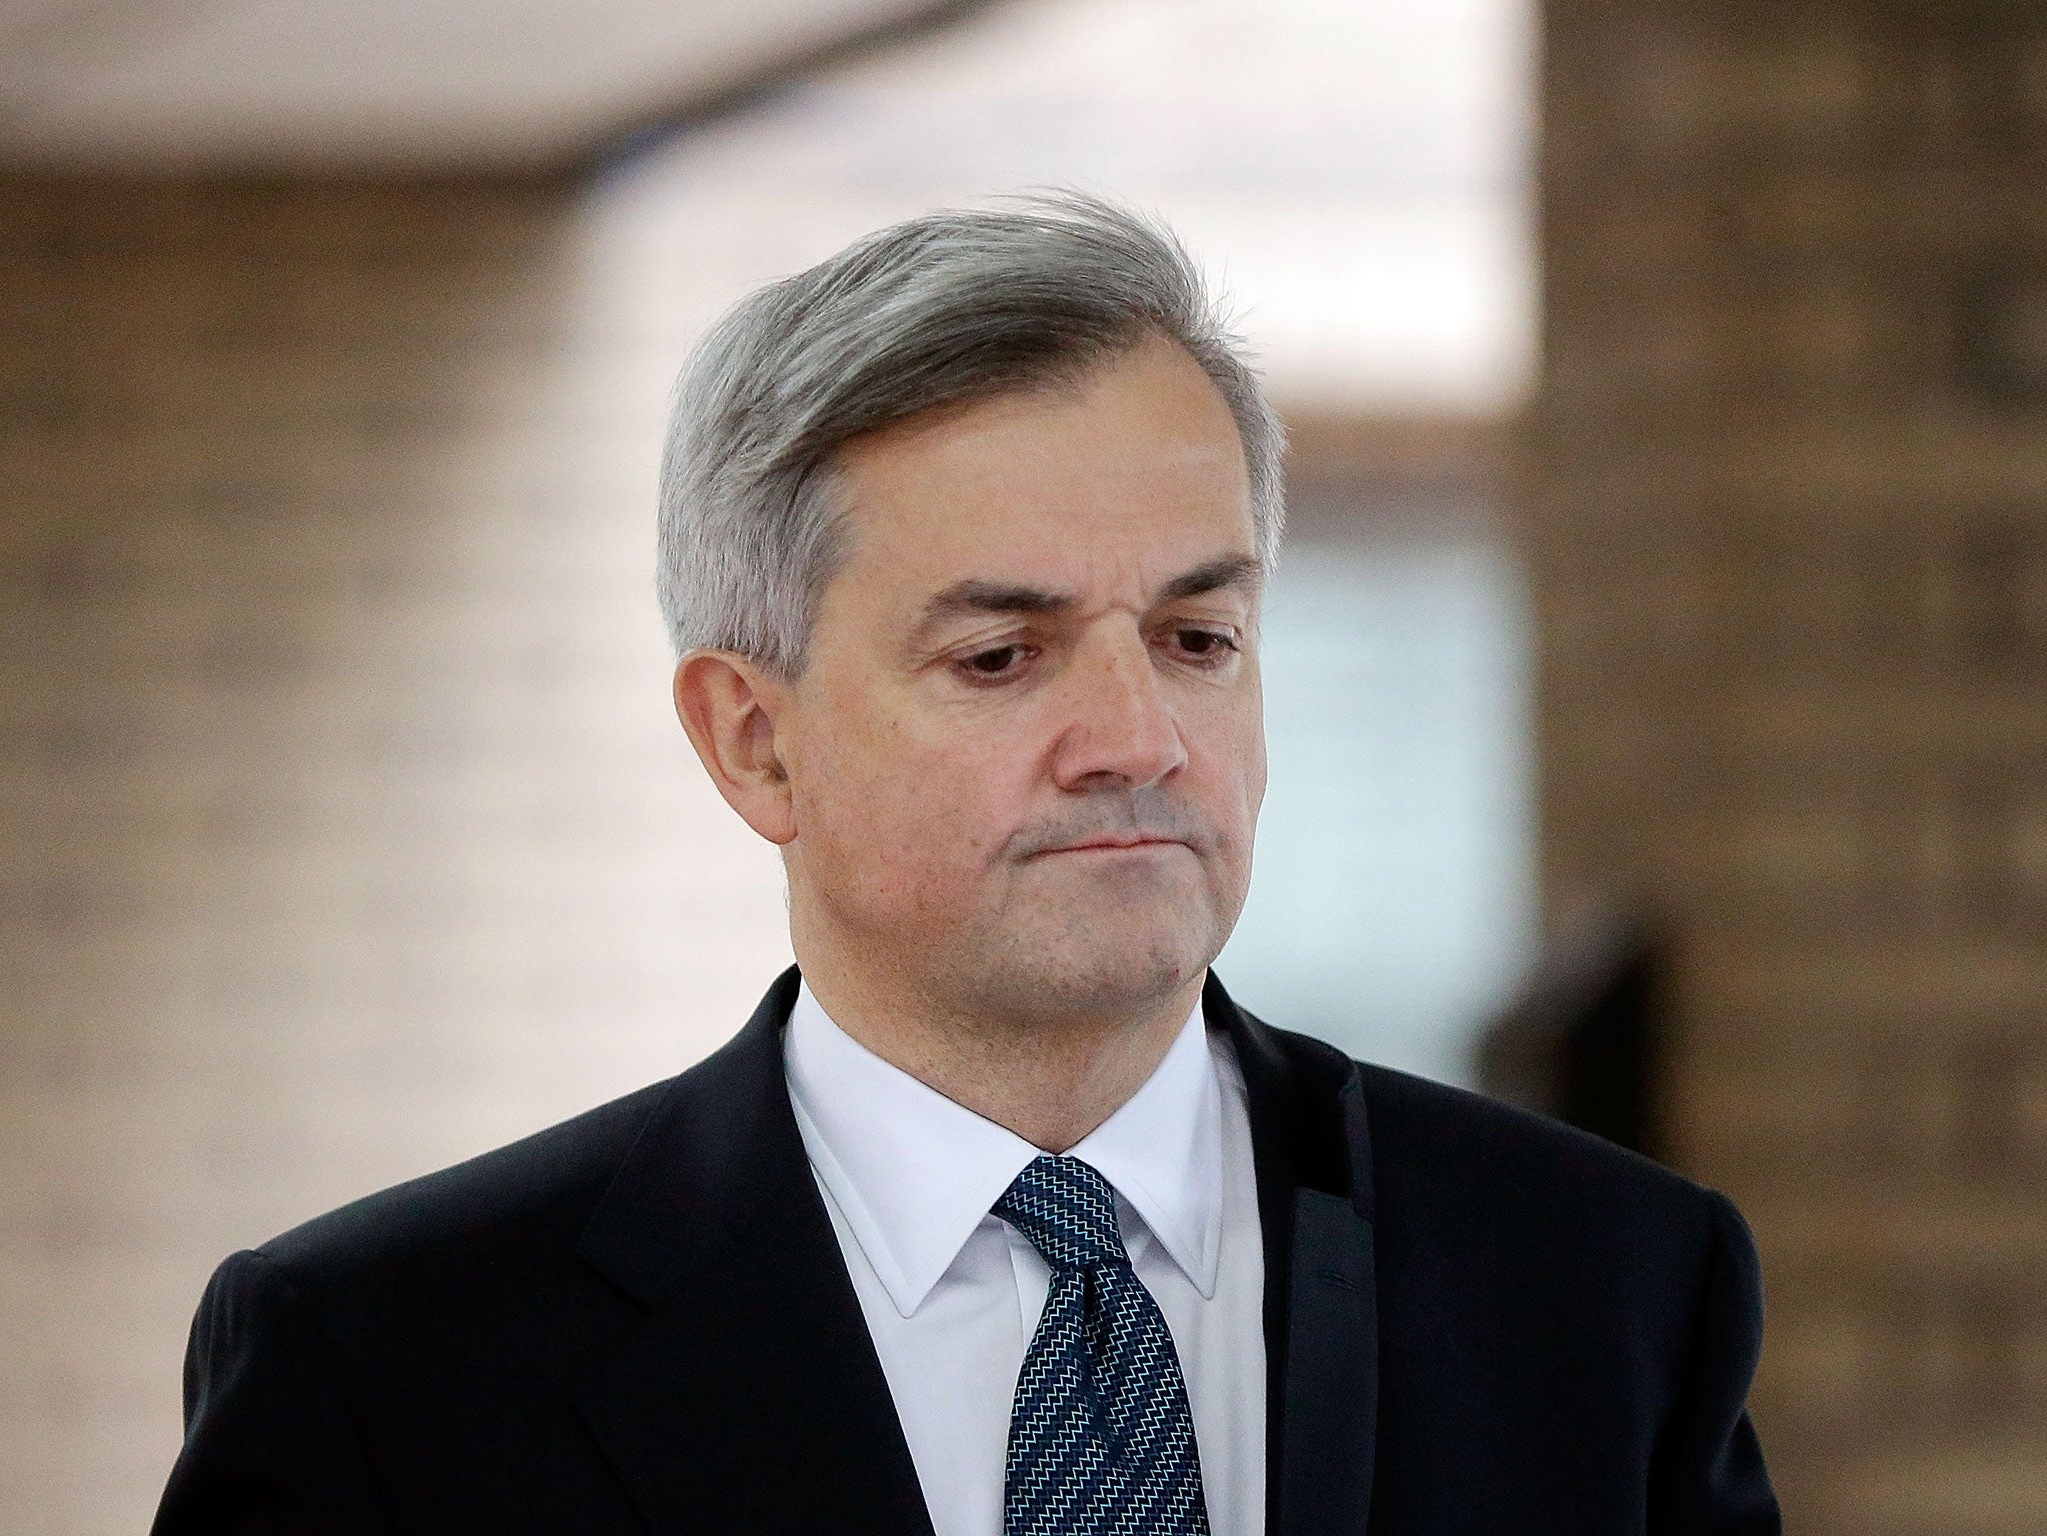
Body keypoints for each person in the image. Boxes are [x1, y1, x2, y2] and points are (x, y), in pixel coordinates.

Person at [152, 193, 1779, 1536]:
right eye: (1004, 656)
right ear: (753, 741)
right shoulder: (387, 1369)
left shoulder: (1608, 1288)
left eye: (1198, 634)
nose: (1138, 736)